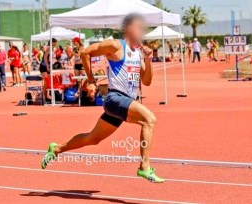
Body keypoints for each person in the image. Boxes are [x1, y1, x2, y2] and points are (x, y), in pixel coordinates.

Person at [41, 13, 164, 183]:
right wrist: (91, 80)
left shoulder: (138, 54)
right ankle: (144, 167)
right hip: (115, 98)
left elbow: (147, 81)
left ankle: (56, 148)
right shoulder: (116, 46)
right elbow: (85, 52)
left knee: (93, 138)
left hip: (126, 102)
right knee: (149, 120)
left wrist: (148, 60)